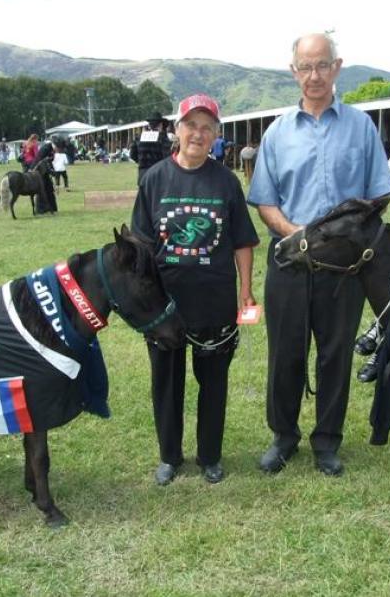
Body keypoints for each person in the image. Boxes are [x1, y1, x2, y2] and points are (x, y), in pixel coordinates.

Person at [247, 33, 390, 477]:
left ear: (337, 66)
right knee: (286, 354)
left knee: (334, 356)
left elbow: (379, 194)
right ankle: (284, 436)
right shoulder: (277, 132)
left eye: (322, 65)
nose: (314, 76)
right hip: (290, 263)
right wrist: (296, 235)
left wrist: (347, 235)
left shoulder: (361, 127)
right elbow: (265, 200)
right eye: (305, 67)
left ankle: (327, 441)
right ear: (293, 71)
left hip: (345, 268)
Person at [131, 94, 260, 486]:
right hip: (167, 305)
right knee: (166, 383)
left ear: (216, 135)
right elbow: (140, 248)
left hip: (214, 300)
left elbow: (241, 241)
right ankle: (170, 456)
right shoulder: (153, 180)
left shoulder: (226, 181)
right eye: (191, 126)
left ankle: (210, 456)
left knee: (214, 380)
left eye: (207, 128)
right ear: (176, 130)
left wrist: (246, 291)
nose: (198, 134)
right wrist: (144, 300)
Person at [132, 112, 172, 184]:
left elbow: (132, 155)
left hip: (143, 176)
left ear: (149, 125)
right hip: (158, 176)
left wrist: (142, 162)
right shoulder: (163, 138)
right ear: (160, 125)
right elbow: (168, 157)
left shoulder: (139, 138)